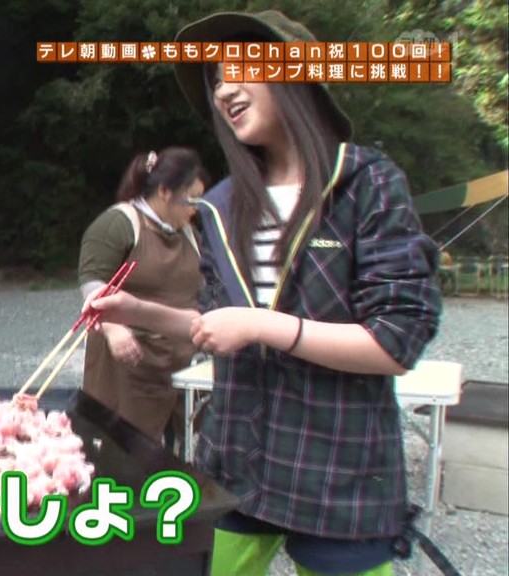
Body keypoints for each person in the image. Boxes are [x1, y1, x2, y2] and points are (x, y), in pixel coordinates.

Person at [87, 11, 442, 576]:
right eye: (215, 81)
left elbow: (396, 342)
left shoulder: (365, 183)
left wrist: (261, 326)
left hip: (339, 473)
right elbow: (214, 324)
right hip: (237, 463)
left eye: (239, 71)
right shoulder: (222, 205)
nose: (223, 90)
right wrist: (137, 310)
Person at [78, 147, 208, 446]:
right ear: (164, 191)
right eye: (190, 199)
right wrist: (113, 328)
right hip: (128, 360)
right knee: (122, 451)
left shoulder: (189, 233)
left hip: (180, 360)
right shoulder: (119, 223)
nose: (195, 208)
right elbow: (93, 284)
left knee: (183, 450)